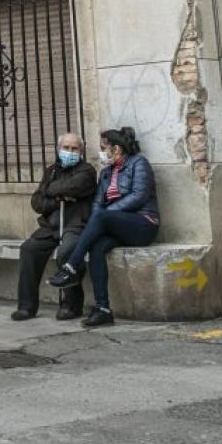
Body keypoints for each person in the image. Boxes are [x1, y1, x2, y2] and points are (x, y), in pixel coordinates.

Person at [47, 126, 159, 328]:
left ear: (116, 149)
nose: (101, 152)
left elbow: (138, 196)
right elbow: (97, 204)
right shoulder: (106, 173)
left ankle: (71, 266)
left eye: (103, 148)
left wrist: (108, 214)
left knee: (100, 216)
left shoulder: (138, 163)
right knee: (97, 247)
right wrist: (104, 216)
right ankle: (103, 309)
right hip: (116, 225)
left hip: (143, 224)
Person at [14, 133, 97, 321]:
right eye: (66, 148)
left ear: (81, 151)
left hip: (76, 225)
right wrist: (56, 200)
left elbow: (73, 187)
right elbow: (36, 201)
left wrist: (52, 191)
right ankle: (26, 307)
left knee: (66, 252)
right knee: (29, 249)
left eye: (74, 148)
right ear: (59, 150)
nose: (70, 152)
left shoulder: (87, 171)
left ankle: (71, 305)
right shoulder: (51, 171)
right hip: (50, 226)